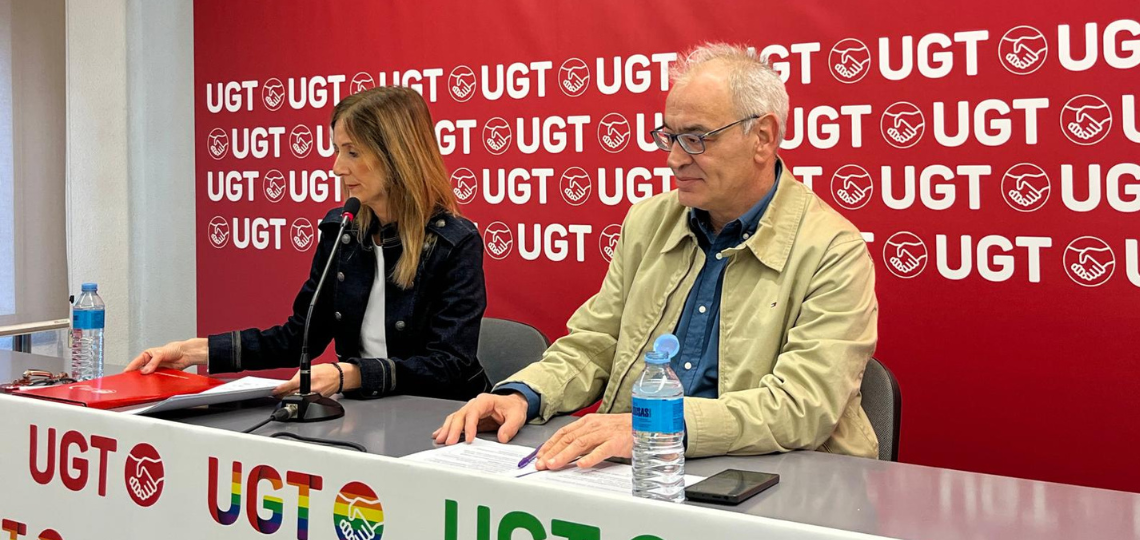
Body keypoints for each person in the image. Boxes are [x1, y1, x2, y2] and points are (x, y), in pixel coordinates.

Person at [434, 43, 879, 468]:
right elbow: (596, 343)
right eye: (669, 137)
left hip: (774, 478)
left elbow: (800, 407)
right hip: (641, 469)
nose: (673, 159)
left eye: (696, 138)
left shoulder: (833, 250)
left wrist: (656, 427)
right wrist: (524, 395)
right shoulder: (648, 222)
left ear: (763, 137)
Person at [128, 86, 491, 400]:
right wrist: (195, 351)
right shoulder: (343, 232)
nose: (336, 167)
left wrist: (349, 375)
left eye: (352, 152)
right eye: (336, 150)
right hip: (367, 410)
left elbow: (448, 364)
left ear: (397, 157)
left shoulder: (454, 242)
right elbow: (299, 336)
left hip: (443, 416)